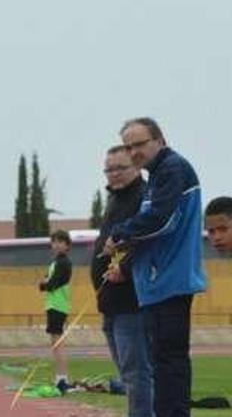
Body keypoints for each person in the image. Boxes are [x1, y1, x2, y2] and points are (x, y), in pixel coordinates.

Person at [104, 117, 207, 417]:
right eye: (128, 146)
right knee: (163, 366)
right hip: (155, 283)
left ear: (159, 141)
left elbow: (163, 219)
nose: (134, 151)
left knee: (168, 366)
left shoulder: (171, 168)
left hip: (168, 281)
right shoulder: (160, 174)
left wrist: (121, 233)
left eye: (140, 144)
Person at [90, 146, 152, 417]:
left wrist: (124, 269)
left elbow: (148, 242)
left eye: (120, 168)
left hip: (131, 302)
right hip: (110, 303)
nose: (113, 174)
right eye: (109, 169)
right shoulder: (116, 200)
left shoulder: (143, 197)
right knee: (128, 374)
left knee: (137, 372)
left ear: (137, 167)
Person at [40, 230, 73, 393]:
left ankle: (62, 379)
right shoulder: (55, 262)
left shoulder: (64, 263)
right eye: (54, 241)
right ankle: (60, 377)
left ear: (67, 245)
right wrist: (45, 282)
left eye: (61, 241)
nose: (57, 244)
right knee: (55, 343)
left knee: (58, 344)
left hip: (59, 306)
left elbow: (51, 283)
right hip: (52, 305)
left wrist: (45, 283)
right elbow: (44, 282)